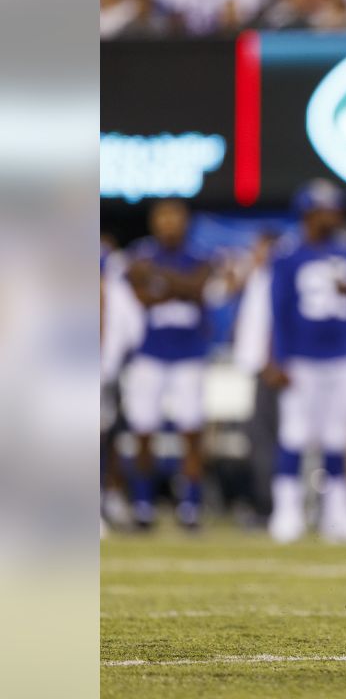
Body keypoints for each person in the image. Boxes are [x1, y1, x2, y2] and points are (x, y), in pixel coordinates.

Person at [264, 180, 346, 544]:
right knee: (295, 435)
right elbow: (278, 311)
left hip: (341, 357)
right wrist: (278, 357)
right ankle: (287, 509)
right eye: (325, 209)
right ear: (309, 214)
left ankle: (337, 512)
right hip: (301, 357)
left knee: (337, 437)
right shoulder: (288, 255)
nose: (333, 216)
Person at [119, 200, 211, 530]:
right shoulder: (140, 254)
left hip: (189, 353)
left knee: (192, 431)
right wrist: (179, 286)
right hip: (149, 353)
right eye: (164, 218)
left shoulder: (198, 255)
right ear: (154, 222)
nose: (170, 224)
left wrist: (161, 278)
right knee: (144, 430)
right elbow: (140, 295)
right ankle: (143, 503)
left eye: (176, 218)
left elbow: (198, 288)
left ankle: (191, 505)